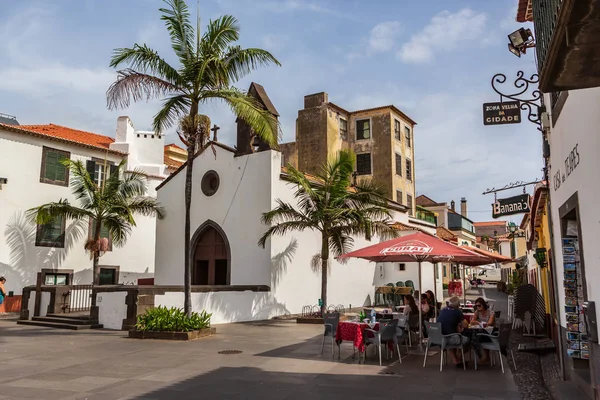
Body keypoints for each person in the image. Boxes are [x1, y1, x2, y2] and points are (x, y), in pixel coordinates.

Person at [437, 296, 469, 367]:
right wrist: (459, 323)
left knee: (450, 334)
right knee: (467, 340)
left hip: (439, 339)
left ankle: (455, 359)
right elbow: (466, 325)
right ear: (458, 305)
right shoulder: (457, 312)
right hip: (450, 339)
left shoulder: (442, 310)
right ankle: (459, 357)